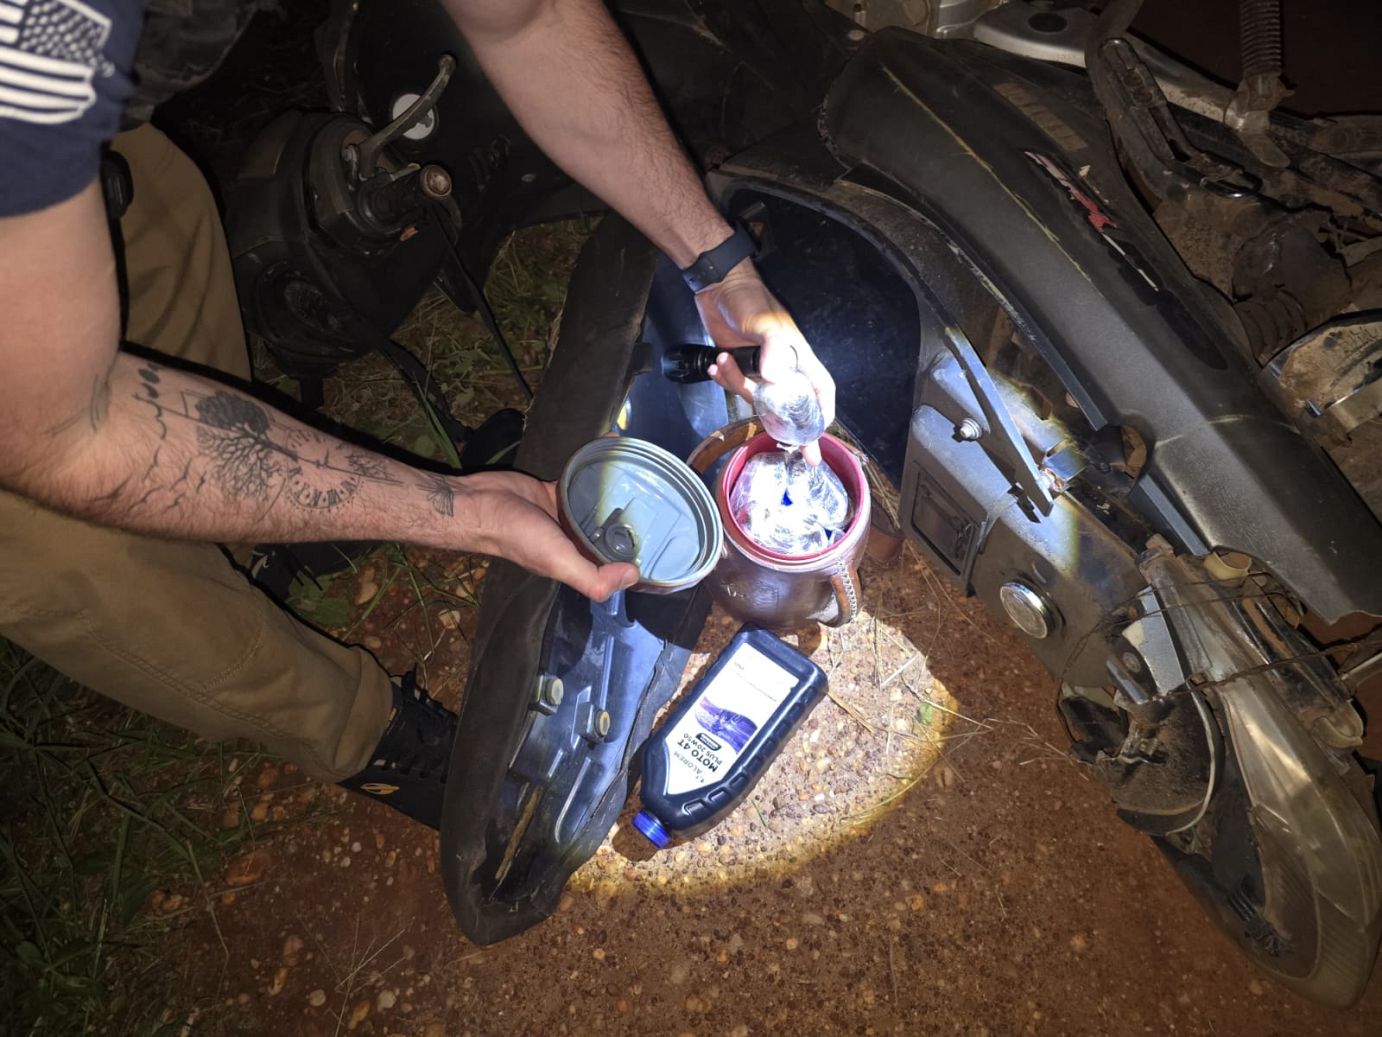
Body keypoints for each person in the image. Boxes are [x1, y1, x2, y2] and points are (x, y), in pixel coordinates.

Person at [0, 0, 835, 829]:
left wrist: (722, 270)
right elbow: (72, 437)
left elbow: (531, 19)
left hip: (79, 136)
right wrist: (457, 510)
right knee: (56, 543)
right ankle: (360, 733)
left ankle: (251, 535)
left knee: (160, 211)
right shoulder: (30, 49)